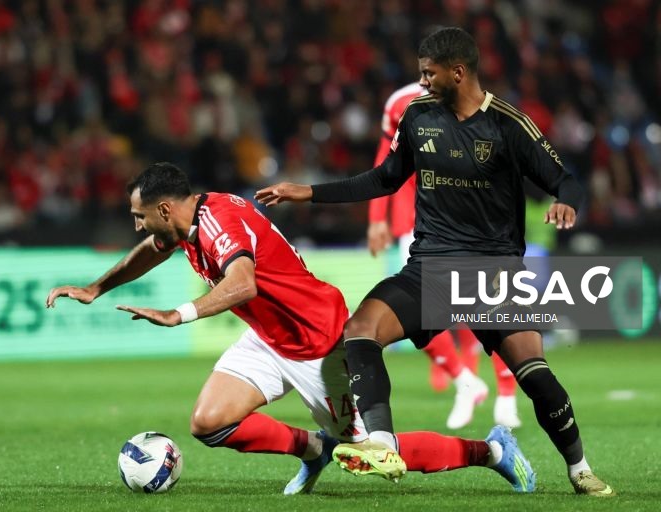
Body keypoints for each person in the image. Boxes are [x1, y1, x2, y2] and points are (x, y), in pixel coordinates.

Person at [255, 27, 613, 497]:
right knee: (360, 331)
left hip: (492, 276)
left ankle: (579, 468)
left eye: (429, 74)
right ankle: (381, 441)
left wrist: (567, 203)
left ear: (458, 72)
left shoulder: (509, 124)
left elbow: (566, 180)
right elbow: (384, 178)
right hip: (429, 268)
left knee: (536, 377)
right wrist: (309, 193)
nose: (422, 83)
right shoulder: (417, 117)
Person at [46, 162, 535, 495]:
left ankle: (492, 451)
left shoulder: (220, 223)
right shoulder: (187, 224)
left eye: (140, 217)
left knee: (383, 456)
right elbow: (149, 253)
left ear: (165, 210)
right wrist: (96, 288)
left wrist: (179, 314)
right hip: (269, 337)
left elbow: (242, 286)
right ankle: (315, 449)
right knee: (209, 422)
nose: (137, 226)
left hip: (320, 344)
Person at [369, 82, 520, 429]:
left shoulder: (482, 103)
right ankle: (465, 382)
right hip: (418, 222)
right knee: (417, 310)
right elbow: (385, 163)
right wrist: (377, 219)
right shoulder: (399, 102)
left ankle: (507, 395)